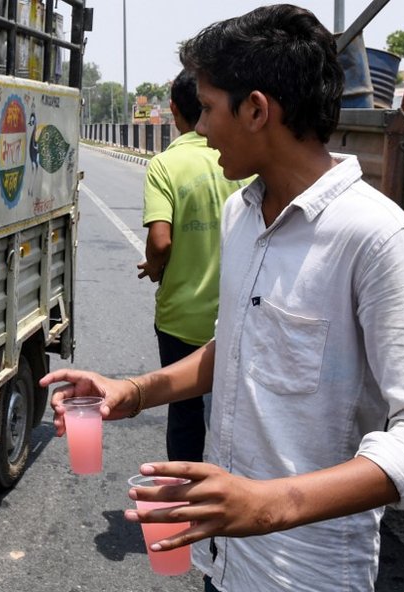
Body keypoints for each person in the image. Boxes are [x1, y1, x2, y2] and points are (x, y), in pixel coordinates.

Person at [41, 5, 404, 592]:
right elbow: (240, 349)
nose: (199, 127)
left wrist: (267, 506)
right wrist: (136, 391)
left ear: (256, 110)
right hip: (223, 561)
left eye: (209, 108)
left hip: (308, 574)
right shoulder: (240, 213)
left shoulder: (376, 238)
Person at [136, 68, 249, 463]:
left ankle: (183, 506)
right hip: (237, 317)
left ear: (172, 110)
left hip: (181, 318)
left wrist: (153, 266)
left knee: (184, 412)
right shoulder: (241, 163)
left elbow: (161, 241)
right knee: (234, 415)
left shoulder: (165, 165)